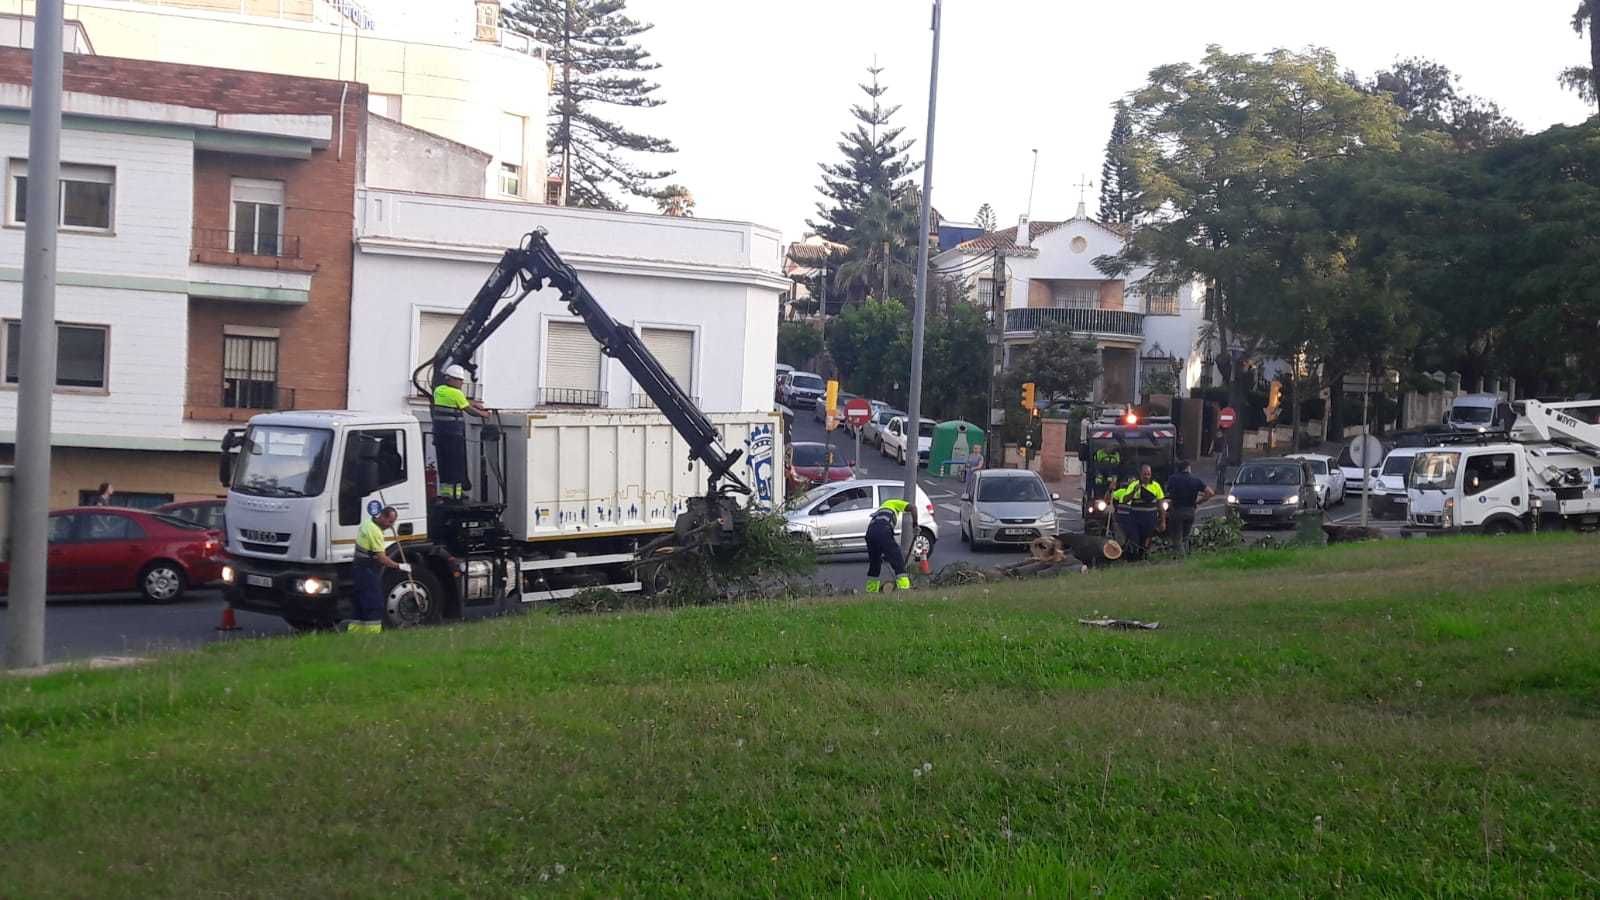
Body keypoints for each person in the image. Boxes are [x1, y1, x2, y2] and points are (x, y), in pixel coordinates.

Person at [432, 364, 491, 502]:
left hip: (440, 434)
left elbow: (457, 400)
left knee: (445, 464)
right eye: (460, 380)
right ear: (452, 379)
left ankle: (447, 494)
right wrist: (484, 413)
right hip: (454, 435)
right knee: (457, 464)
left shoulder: (439, 390)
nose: (461, 384)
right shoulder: (457, 393)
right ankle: (457, 494)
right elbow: (468, 410)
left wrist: (472, 402)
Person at [351, 506, 409, 634]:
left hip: (358, 568)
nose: (391, 526)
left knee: (360, 604)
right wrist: (399, 566)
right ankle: (372, 634)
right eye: (389, 522)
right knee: (374, 604)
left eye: (393, 523)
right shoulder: (375, 532)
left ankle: (355, 633)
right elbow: (382, 558)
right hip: (368, 571)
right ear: (382, 516)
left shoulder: (367, 523)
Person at [1112, 464, 1167, 557]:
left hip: (1150, 520)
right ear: (1140, 474)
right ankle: (1133, 557)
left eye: (1148, 474)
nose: (1146, 476)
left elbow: (1160, 506)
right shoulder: (1133, 485)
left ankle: (1143, 558)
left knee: (1146, 541)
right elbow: (1125, 500)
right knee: (1135, 540)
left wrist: (1163, 521)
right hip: (1135, 520)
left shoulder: (1156, 486)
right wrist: (1134, 491)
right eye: (1144, 474)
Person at [1164, 459, 1214, 557]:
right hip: (1191, 511)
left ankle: (1182, 560)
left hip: (1177, 511)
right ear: (1188, 468)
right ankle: (1187, 557)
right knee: (1185, 537)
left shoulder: (1173, 479)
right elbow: (1210, 493)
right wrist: (1199, 502)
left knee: (1177, 538)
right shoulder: (1195, 480)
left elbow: (1168, 495)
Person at [864, 497, 913, 593]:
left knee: (875, 564)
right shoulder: (893, 503)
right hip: (883, 532)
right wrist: (915, 524)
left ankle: (871, 591)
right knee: (898, 561)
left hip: (870, 534)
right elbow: (913, 508)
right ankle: (905, 589)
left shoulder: (880, 511)